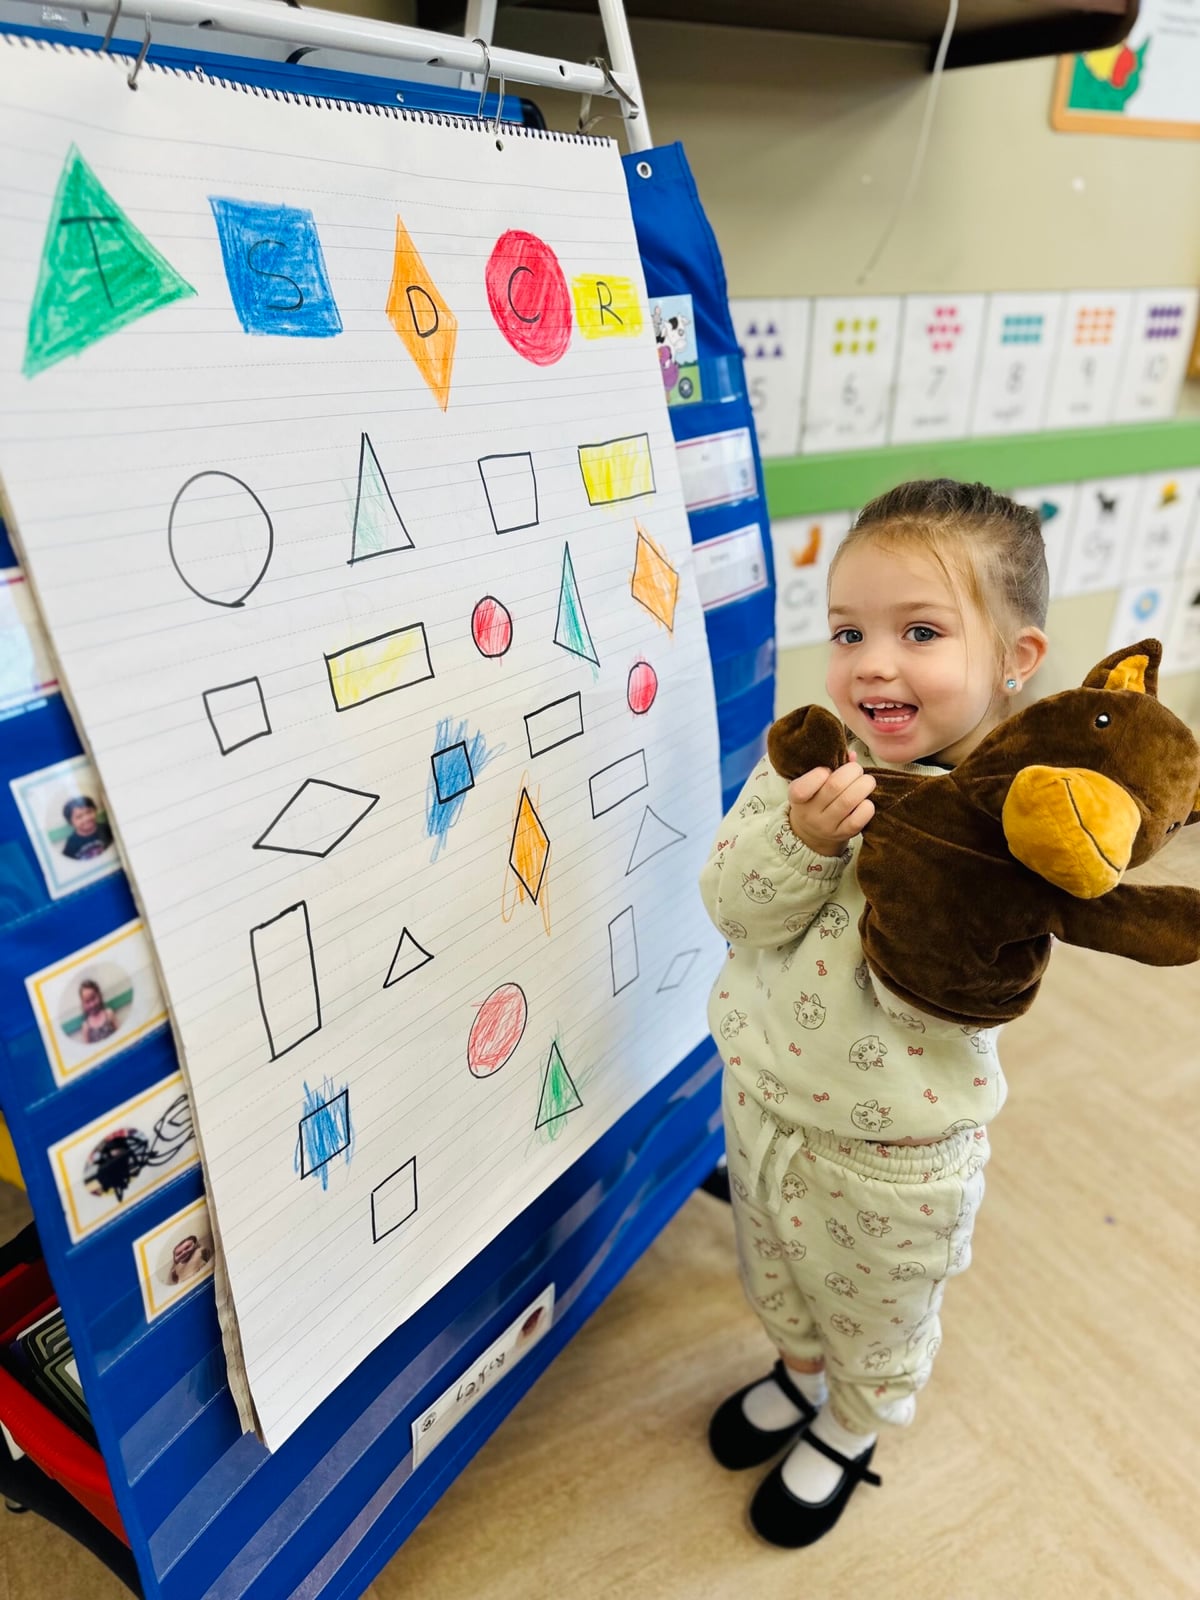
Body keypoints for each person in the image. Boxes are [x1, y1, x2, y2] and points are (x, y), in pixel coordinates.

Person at [699, 480, 1049, 1548]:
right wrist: (803, 840)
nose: (874, 663)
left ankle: (851, 1423)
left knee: (876, 1313)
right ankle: (799, 1374)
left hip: (893, 1155)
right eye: (849, 630)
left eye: (922, 631)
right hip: (763, 1103)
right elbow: (730, 907)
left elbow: (992, 976)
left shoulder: (1011, 813)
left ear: (1013, 659)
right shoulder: (802, 762)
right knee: (778, 1276)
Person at [60, 796, 113, 862]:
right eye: (79, 817)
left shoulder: (108, 828)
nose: (86, 818)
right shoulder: (72, 843)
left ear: (95, 811)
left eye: (89, 812)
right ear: (71, 822)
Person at [78, 979, 119, 1045]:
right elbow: (87, 1049)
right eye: (87, 1002)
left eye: (93, 998)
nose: (92, 1004)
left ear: (99, 995)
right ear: (83, 1004)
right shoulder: (86, 1026)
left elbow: (120, 1034)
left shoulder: (109, 1014)